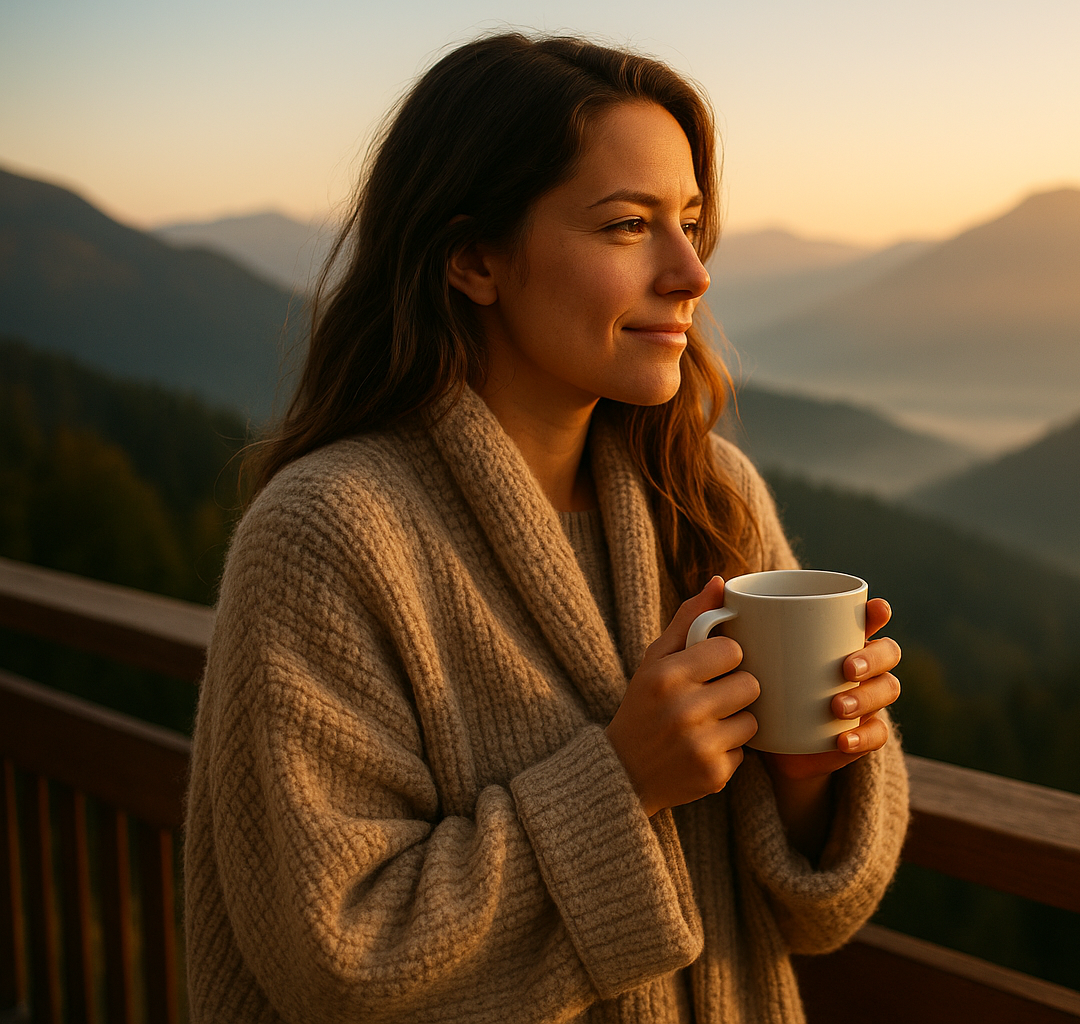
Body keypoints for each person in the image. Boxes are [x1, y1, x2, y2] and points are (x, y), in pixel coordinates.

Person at [183, 31, 908, 1024]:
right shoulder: (328, 537)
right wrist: (624, 779)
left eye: (692, 223)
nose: (691, 272)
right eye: (628, 226)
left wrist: (808, 776)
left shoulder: (711, 496)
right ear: (473, 258)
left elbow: (816, 918)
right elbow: (341, 958)